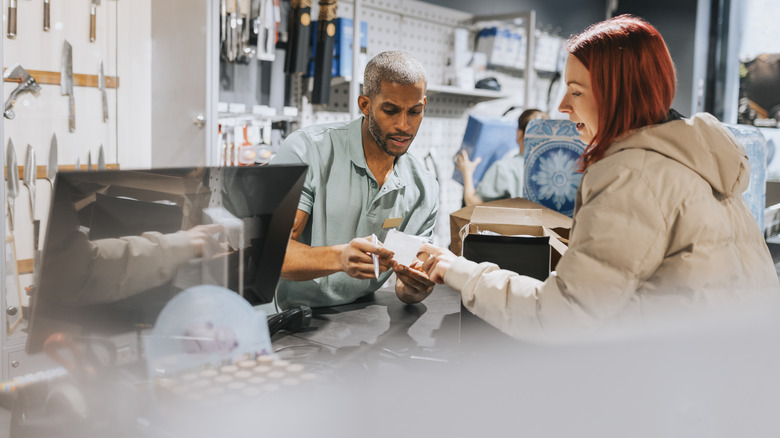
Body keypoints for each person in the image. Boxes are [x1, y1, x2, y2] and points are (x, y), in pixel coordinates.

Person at [419, 15, 780, 341]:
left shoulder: (632, 175)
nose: (562, 105)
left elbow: (560, 316)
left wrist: (461, 272)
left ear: (618, 95)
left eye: (576, 91)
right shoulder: (697, 160)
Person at [270, 51, 439, 309]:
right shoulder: (307, 150)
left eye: (414, 112)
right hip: (291, 318)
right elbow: (271, 252)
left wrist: (415, 287)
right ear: (365, 105)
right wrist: (340, 258)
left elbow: (406, 287)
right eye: (391, 110)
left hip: (361, 317)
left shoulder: (423, 188)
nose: (404, 125)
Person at [456, 109, 549, 206]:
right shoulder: (554, 171)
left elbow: (473, 205)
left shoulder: (503, 169)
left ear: (520, 133)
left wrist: (467, 172)